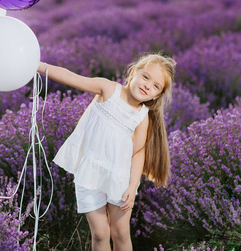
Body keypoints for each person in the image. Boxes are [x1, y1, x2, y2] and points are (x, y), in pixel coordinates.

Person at [37, 53, 176, 251]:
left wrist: (132, 186)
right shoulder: (108, 89)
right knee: (100, 233)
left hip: (119, 178)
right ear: (133, 72)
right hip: (90, 173)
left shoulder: (142, 117)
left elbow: (138, 153)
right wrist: (39, 65)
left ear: (157, 96)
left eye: (156, 86)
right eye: (146, 77)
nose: (148, 85)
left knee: (120, 232)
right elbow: (71, 77)